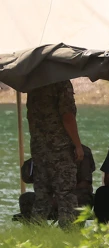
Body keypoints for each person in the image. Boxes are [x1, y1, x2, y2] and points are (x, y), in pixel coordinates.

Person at [27, 80, 85, 226]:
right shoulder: (61, 83)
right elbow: (68, 117)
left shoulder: (33, 84)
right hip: (60, 150)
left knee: (42, 195)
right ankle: (69, 233)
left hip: (39, 149)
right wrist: (78, 145)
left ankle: (36, 232)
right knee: (66, 194)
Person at [17, 147, 95, 222]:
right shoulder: (44, 150)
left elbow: (85, 183)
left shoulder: (81, 151)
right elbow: (27, 178)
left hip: (75, 195)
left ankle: (72, 229)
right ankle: (38, 229)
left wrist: (60, 196)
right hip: (49, 197)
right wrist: (37, 158)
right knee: (25, 199)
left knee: (81, 200)